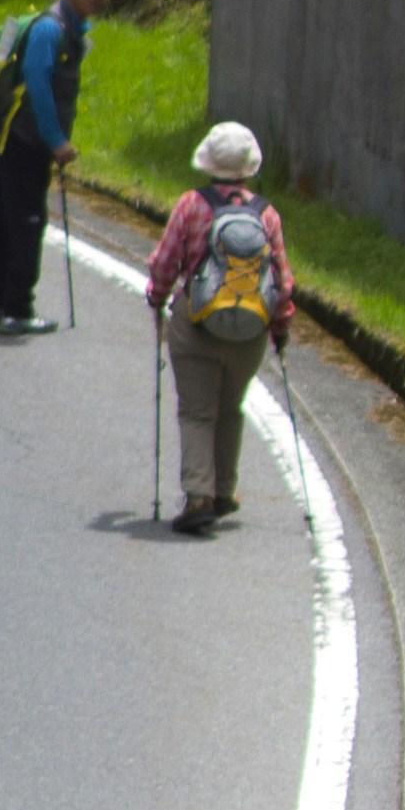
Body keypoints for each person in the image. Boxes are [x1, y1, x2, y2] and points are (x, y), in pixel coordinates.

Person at [146, 122, 294, 532]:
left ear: (208, 163)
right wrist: (280, 329)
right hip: (249, 331)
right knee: (230, 408)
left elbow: (163, 263)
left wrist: (157, 300)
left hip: (195, 325)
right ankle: (225, 489)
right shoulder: (266, 214)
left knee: (196, 412)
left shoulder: (191, 206)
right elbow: (281, 281)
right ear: (249, 167)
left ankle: (198, 496)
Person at [0, 0, 114, 333]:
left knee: (7, 221)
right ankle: (17, 310)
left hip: (17, 138)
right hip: (24, 141)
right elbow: (38, 85)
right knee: (26, 222)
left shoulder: (70, 30)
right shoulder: (50, 30)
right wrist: (57, 141)